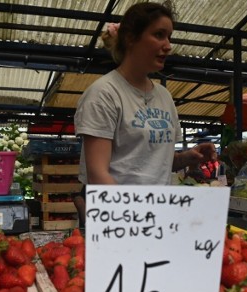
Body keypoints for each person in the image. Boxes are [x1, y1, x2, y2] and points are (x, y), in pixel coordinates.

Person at [73, 1, 217, 225]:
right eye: (159, 35)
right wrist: (138, 221)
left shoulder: (164, 96)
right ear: (130, 38)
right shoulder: (104, 94)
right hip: (119, 221)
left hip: (157, 217)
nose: (168, 45)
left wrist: (188, 157)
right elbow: (98, 176)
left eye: (169, 37)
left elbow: (154, 163)